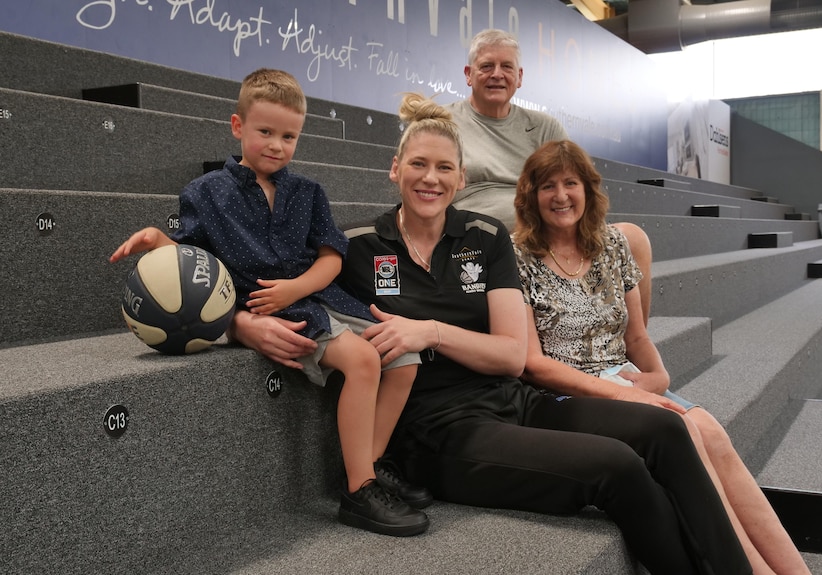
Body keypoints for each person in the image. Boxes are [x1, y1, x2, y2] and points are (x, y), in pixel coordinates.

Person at [327, 92, 749, 573]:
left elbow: (511, 356)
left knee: (667, 428)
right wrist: (254, 324)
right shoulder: (356, 245)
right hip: (440, 433)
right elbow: (279, 285)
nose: (431, 178)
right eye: (418, 164)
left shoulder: (484, 237)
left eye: (445, 168)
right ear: (395, 168)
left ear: (462, 178)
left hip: (516, 399)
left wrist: (431, 332)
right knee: (618, 466)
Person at [109, 68, 430, 537]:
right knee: (363, 360)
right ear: (238, 126)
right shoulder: (206, 193)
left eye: (289, 136)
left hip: (316, 295)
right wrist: (158, 239)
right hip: (271, 308)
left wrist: (298, 286)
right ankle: (359, 491)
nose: (277, 145)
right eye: (266, 132)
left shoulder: (308, 192)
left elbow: (331, 258)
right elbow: (190, 255)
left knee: (405, 358)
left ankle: (371, 462)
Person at [512, 139, 812, 575]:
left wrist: (657, 376)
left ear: (588, 190)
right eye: (548, 186)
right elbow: (533, 364)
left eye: (571, 183)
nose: (561, 196)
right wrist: (624, 395)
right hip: (569, 391)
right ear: (531, 197)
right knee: (687, 433)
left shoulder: (613, 245)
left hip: (627, 377)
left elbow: (636, 336)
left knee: (708, 428)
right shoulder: (519, 258)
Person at [448, 28, 653, 325]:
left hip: (549, 229)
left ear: (519, 77)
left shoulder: (545, 127)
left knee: (634, 238)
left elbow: (576, 185)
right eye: (486, 66)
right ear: (468, 74)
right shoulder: (445, 122)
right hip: (484, 236)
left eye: (506, 67)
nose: (497, 74)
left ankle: (632, 346)